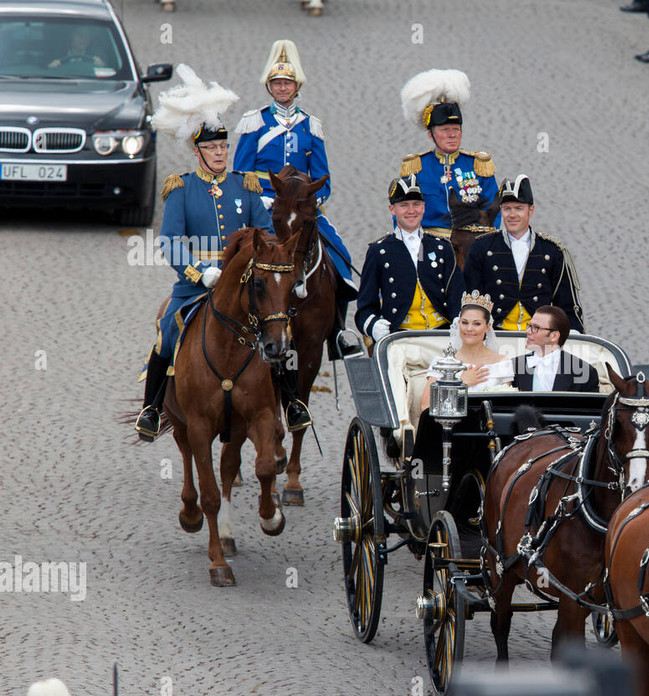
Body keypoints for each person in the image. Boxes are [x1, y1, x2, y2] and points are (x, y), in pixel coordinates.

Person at [135, 66, 274, 442]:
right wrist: (199, 271)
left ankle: (290, 401)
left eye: (223, 146)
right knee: (166, 334)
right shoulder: (180, 188)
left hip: (244, 284)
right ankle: (151, 408)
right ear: (197, 151)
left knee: (280, 331)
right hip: (196, 286)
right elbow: (169, 242)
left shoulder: (245, 186)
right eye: (211, 148)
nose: (219, 153)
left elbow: (269, 235)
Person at [233, 40, 360, 358]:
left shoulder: (310, 126)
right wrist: (258, 201)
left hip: (300, 207)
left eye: (287, 82)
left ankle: (339, 330)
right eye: (276, 83)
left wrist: (312, 204)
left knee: (339, 254)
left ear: (296, 85)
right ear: (269, 86)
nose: (282, 87)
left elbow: (322, 177)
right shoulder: (255, 122)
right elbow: (241, 172)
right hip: (264, 206)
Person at [463, 175, 585, 333]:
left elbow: (567, 304)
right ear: (501, 211)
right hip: (495, 334)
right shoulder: (481, 248)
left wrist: (574, 335)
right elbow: (471, 298)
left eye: (519, 208)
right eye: (507, 209)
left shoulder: (552, 251)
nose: (512, 215)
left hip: (540, 336)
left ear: (531, 210)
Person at [355, 175, 465, 344]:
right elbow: (365, 308)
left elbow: (457, 294)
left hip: (442, 335)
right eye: (404, 205)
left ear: (424, 207)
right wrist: (374, 325)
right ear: (392, 209)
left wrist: (459, 319)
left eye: (416, 204)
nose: (411, 210)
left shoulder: (442, 248)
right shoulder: (379, 251)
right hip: (400, 337)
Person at [399, 69, 500, 238]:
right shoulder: (416, 167)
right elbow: (401, 213)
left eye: (456, 129)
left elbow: (492, 212)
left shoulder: (478, 165)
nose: (452, 135)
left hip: (470, 245)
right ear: (431, 135)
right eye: (445, 130)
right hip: (428, 245)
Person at [421, 291, 514, 411]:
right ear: (459, 323)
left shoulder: (501, 363)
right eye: (465, 323)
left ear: (487, 327)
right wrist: (460, 383)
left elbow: (507, 408)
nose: (469, 329)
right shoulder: (441, 363)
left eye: (477, 324)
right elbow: (425, 407)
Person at [510, 306, 599, 392]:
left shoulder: (585, 371)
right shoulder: (513, 366)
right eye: (529, 326)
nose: (528, 331)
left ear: (554, 336)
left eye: (535, 328)